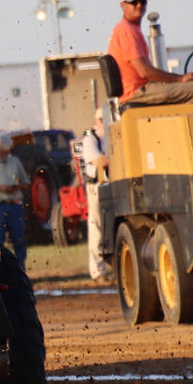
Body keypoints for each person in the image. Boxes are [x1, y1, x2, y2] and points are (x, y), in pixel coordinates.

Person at [108, 0, 193, 106]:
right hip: (137, 91)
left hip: (138, 89)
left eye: (142, 1)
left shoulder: (126, 29)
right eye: (134, 2)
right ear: (123, 5)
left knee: (192, 87)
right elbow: (144, 72)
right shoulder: (127, 30)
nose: (139, 5)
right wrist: (180, 79)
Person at [0, 134, 31, 259]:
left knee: (19, 242)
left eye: (6, 152)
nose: (4, 155)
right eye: (2, 152)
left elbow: (26, 183)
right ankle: (1, 274)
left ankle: (20, 272)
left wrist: (14, 187)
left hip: (15, 206)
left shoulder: (15, 162)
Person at [78, 113, 110, 281]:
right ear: (97, 121)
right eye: (102, 120)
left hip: (109, 185)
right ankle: (98, 271)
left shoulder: (108, 138)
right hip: (96, 187)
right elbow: (100, 162)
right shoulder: (91, 140)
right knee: (96, 229)